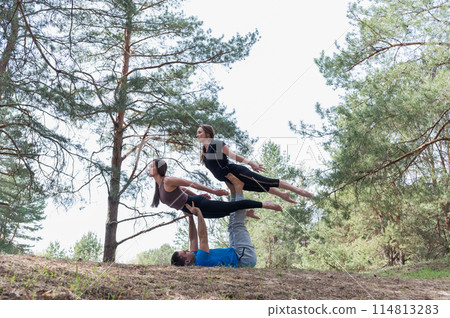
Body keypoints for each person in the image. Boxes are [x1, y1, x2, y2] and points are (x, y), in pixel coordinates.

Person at [196, 124, 313, 203]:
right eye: (197, 133)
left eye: (200, 132)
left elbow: (233, 156)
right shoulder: (204, 153)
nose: (197, 135)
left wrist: (251, 164)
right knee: (260, 187)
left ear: (208, 134)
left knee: (267, 181)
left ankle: (298, 190)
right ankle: (282, 194)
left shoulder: (216, 143)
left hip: (236, 172)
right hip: (230, 179)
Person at [148, 158, 282, 219]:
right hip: (194, 209)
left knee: (230, 206)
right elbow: (183, 190)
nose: (149, 168)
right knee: (222, 213)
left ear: (158, 169)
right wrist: (194, 198)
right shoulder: (159, 187)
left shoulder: (168, 180)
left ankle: (265, 204)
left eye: (151, 166)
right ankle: (246, 213)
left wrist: (212, 192)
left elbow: (191, 183)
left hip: (198, 204)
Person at [171, 176, 257, 267]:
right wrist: (198, 212)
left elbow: (193, 239)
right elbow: (203, 236)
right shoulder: (201, 260)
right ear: (187, 261)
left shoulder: (194, 257)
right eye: (185, 252)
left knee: (232, 224)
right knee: (236, 224)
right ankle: (238, 187)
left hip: (236, 251)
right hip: (244, 258)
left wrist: (190, 216)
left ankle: (233, 189)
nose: (187, 250)